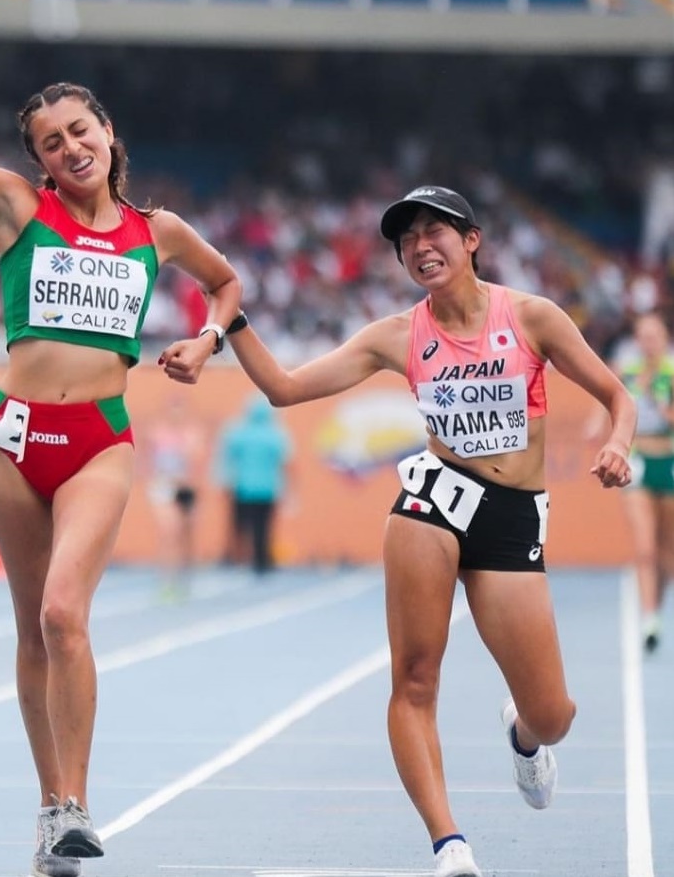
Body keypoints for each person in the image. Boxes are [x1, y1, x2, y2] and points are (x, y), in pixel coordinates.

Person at [161, 185, 636, 877]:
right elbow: (286, 389)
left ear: (472, 240)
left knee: (554, 712)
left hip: (510, 518)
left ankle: (524, 737)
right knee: (415, 680)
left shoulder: (532, 318)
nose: (420, 246)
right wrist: (224, 329)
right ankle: (450, 846)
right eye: (406, 239)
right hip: (434, 499)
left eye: (434, 231)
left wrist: (619, 443)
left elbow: (617, 397)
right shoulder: (396, 335)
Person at [0, 28, 242, 877]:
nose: (70, 146)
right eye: (52, 141)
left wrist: (206, 341)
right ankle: (50, 807)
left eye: (81, 130)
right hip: (14, 442)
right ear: (40, 161)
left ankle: (77, 806)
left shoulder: (157, 232)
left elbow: (226, 285)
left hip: (97, 442)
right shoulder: (19, 207)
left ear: (109, 133)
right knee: (29, 630)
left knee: (62, 615)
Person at [614, 310, 674, 652]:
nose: (647, 342)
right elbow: (613, 401)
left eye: (654, 335)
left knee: (667, 552)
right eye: (642, 335)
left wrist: (656, 397)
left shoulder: (670, 371)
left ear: (664, 338)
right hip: (638, 459)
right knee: (644, 547)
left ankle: (658, 607)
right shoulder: (628, 370)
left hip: (668, 458)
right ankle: (648, 617)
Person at [214, 393, 293, 575]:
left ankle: (237, 558)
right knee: (263, 527)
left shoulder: (238, 432)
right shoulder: (275, 434)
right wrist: (288, 490)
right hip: (267, 488)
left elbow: (226, 460)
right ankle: (261, 560)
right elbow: (286, 463)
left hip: (243, 487)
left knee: (240, 525)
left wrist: (224, 482)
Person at [141, 394, 207, 598]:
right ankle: (166, 581)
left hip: (186, 489)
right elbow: (146, 460)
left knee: (186, 536)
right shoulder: (156, 433)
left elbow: (198, 464)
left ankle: (183, 579)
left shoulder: (193, 434)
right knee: (169, 532)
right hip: (163, 487)